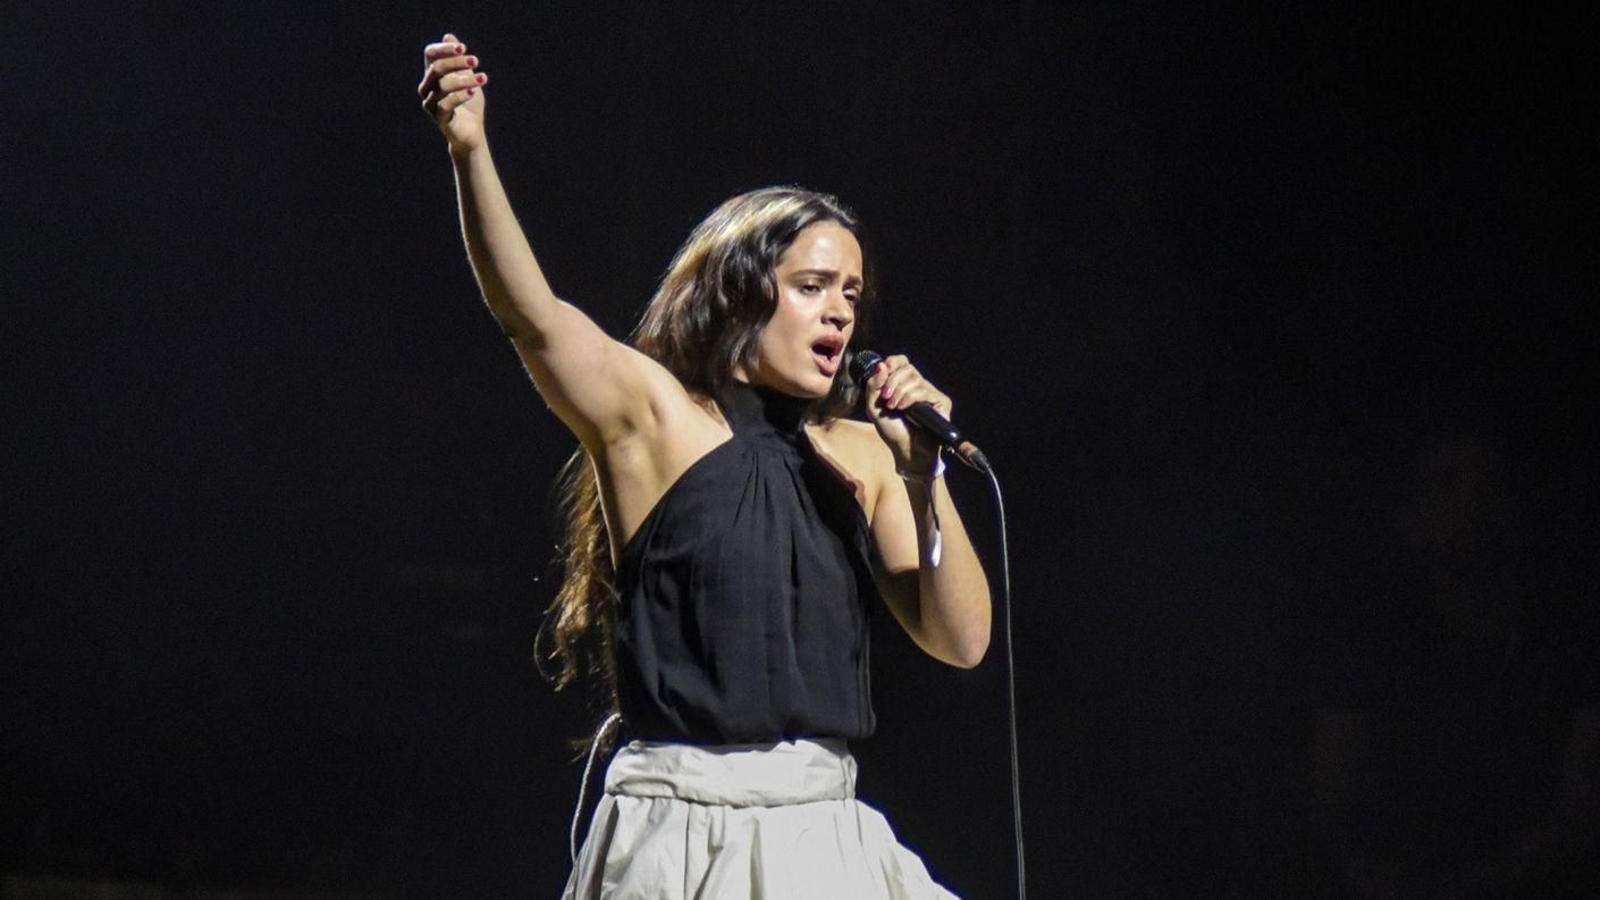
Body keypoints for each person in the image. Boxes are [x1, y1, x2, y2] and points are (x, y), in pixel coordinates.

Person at [418, 33, 992, 899]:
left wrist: (924, 477)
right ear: (741, 292)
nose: (840, 311)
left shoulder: (869, 452)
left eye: (851, 293)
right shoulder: (657, 420)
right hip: (681, 832)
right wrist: (471, 152)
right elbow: (532, 316)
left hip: (823, 832)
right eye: (812, 286)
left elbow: (961, 641)